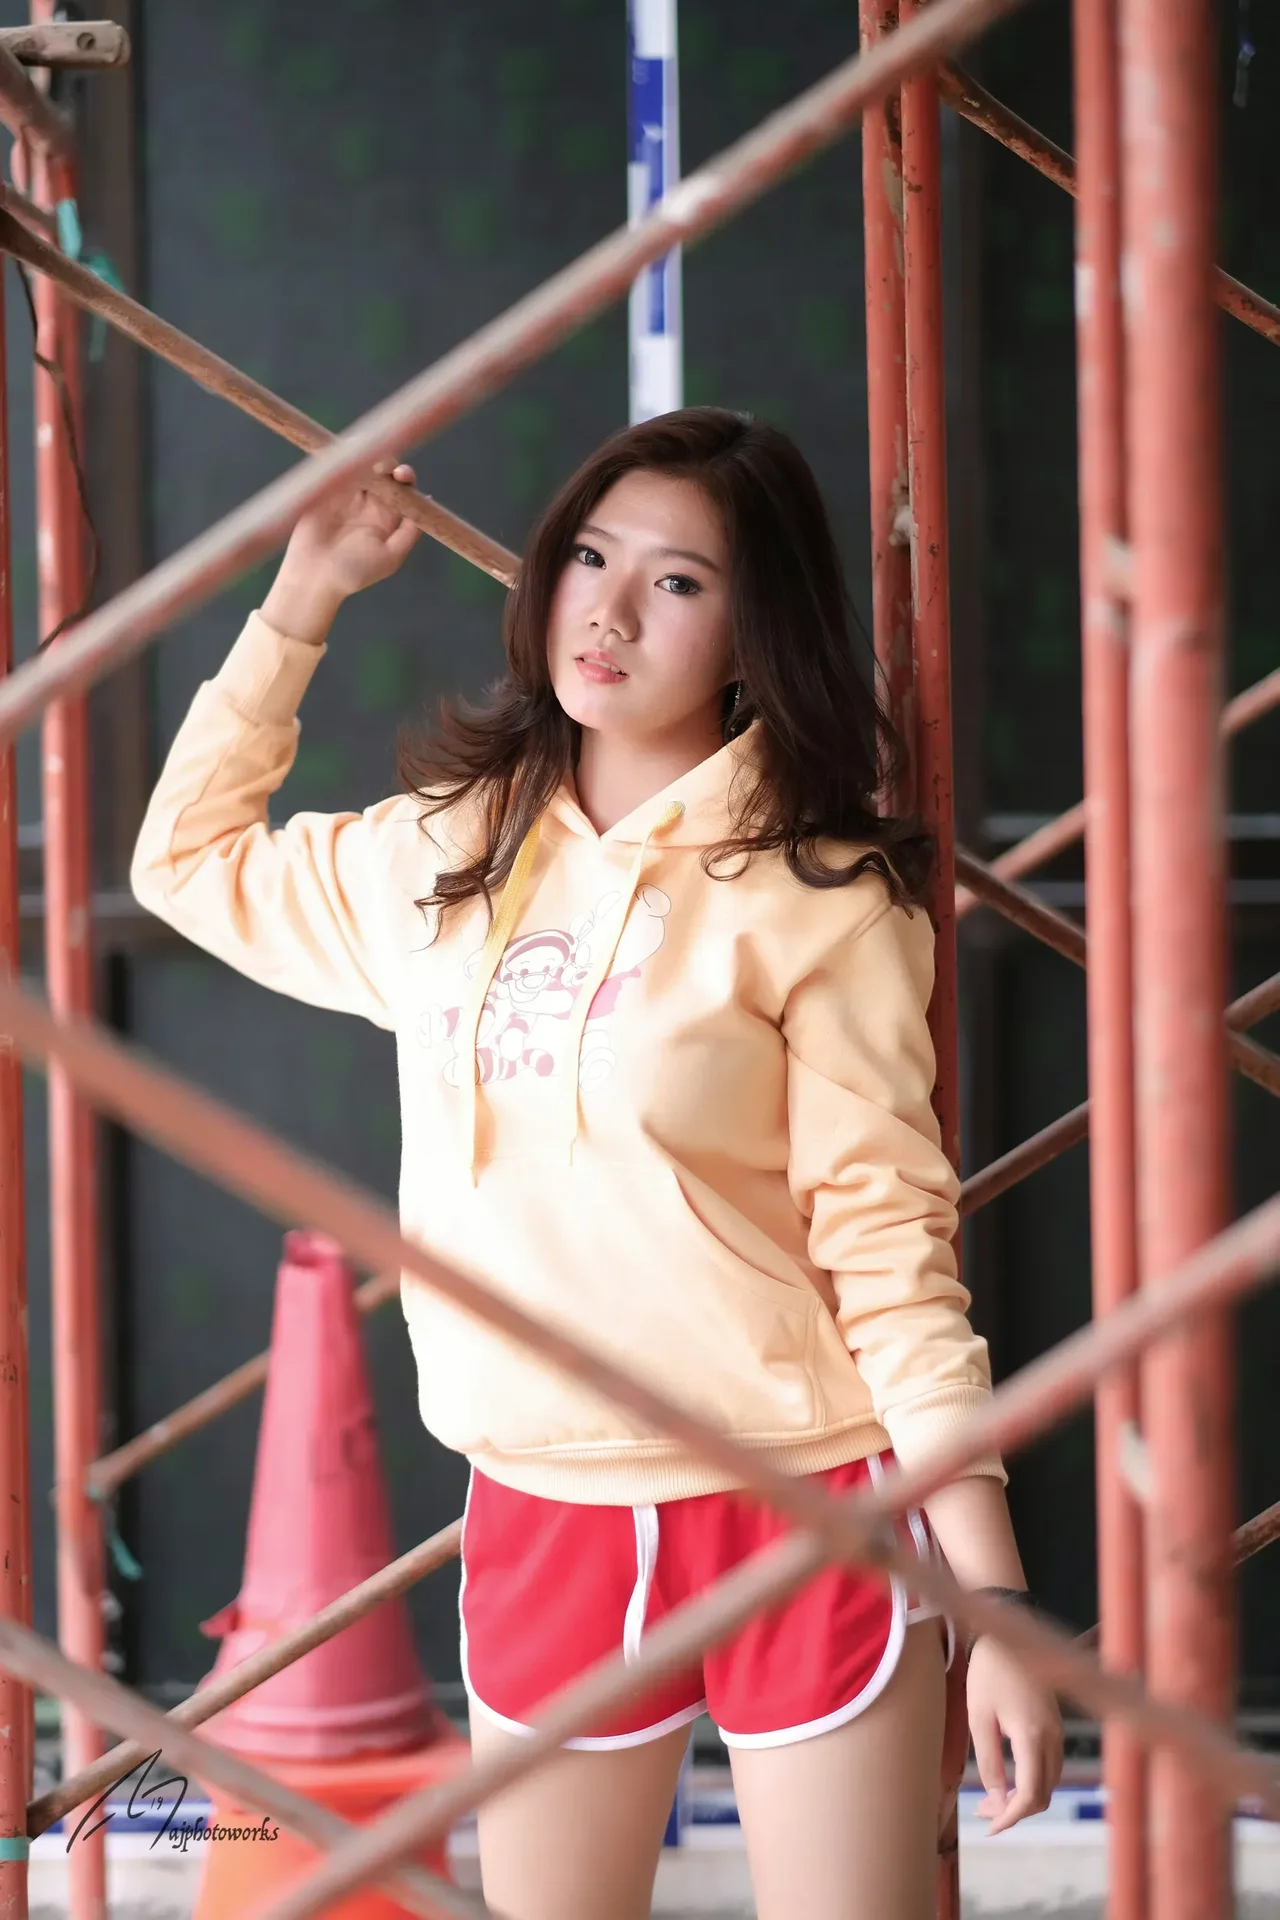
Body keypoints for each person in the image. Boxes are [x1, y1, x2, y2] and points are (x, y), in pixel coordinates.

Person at [132, 407, 1063, 1920]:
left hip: (806, 1501)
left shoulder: (822, 895)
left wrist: (997, 1597)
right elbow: (181, 863)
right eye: (588, 557)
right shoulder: (444, 855)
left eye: (678, 581)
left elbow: (892, 1252)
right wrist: (304, 594)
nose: (611, 611)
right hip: (540, 1502)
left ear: (756, 631)